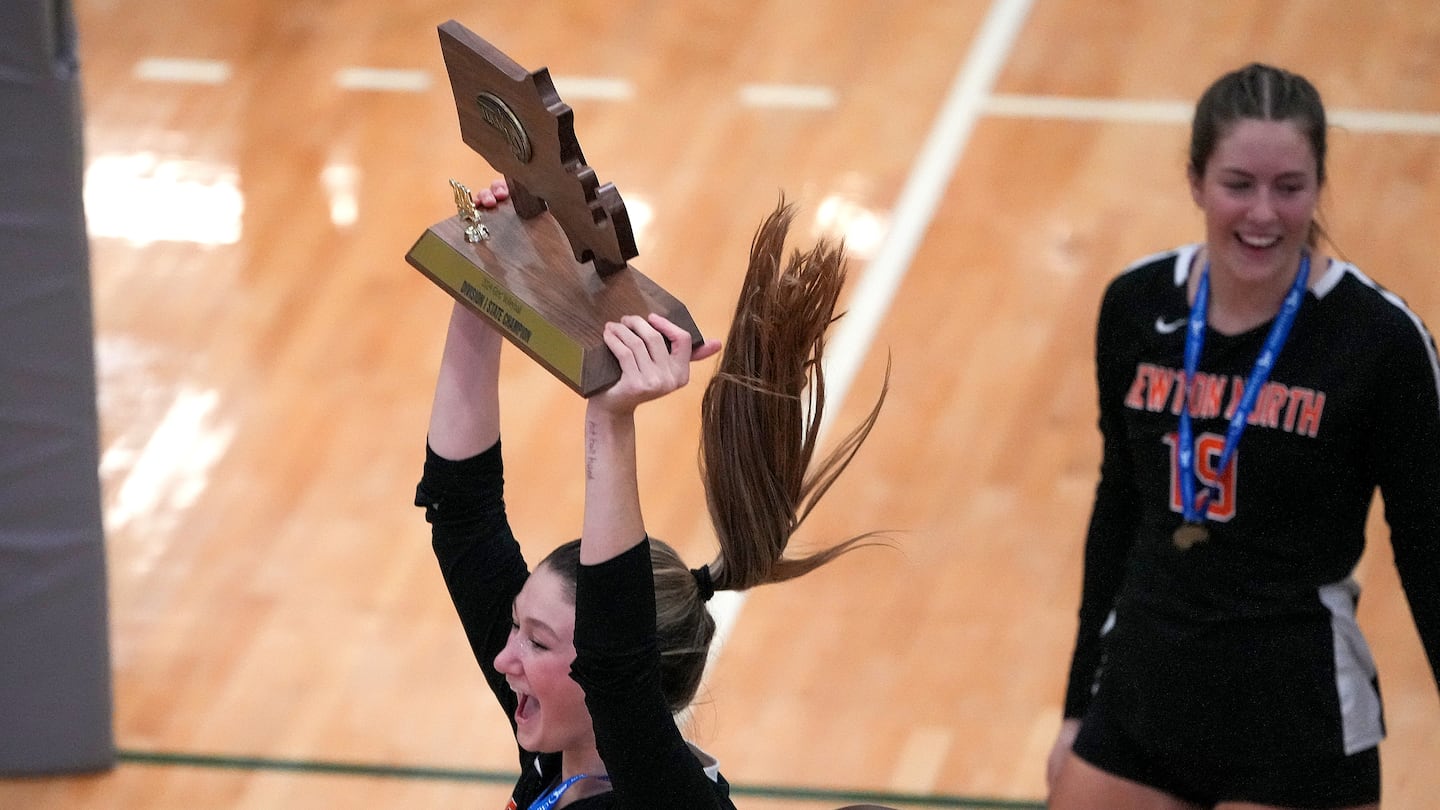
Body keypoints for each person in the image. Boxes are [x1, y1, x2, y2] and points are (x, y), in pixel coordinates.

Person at [415, 180, 888, 808]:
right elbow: (463, 516)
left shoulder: (671, 802)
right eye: (517, 628)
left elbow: (614, 670)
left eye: (538, 640)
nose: (506, 659)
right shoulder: (555, 750)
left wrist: (610, 420)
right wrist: (483, 275)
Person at [1046, 63, 1440, 809]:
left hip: (1297, 720)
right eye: (1238, 184)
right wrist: (1076, 704)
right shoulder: (1135, 307)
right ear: (1195, 181)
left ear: (1319, 186)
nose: (1263, 214)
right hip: (1143, 698)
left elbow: (1429, 543)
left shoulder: (1379, 341)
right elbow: (1121, 504)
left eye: (1289, 187)